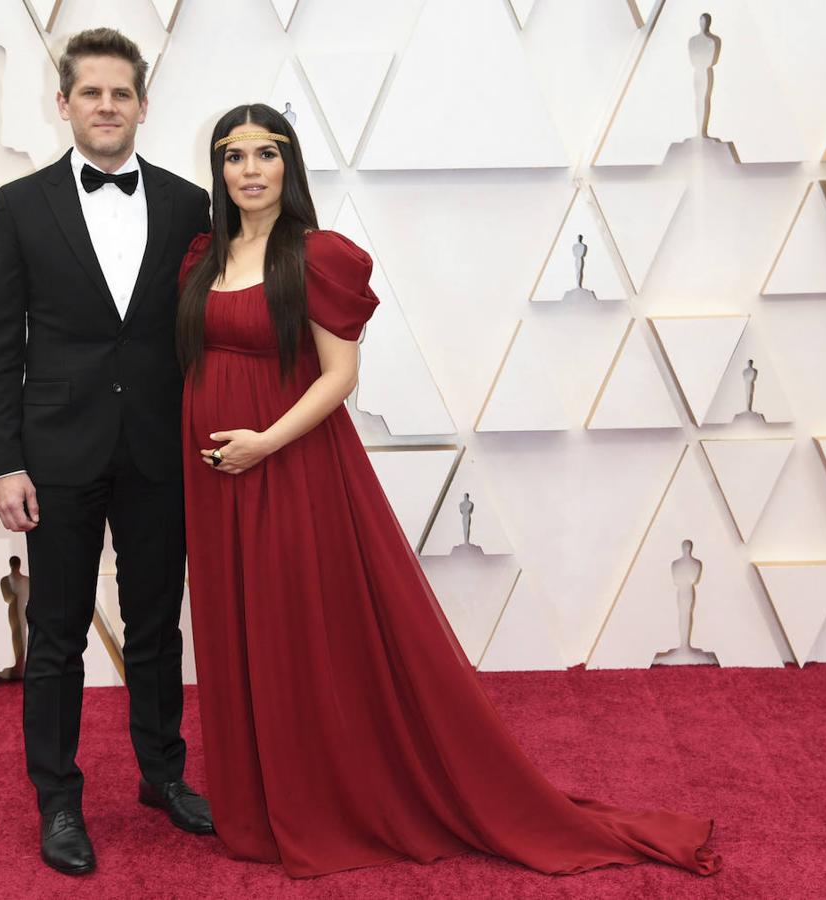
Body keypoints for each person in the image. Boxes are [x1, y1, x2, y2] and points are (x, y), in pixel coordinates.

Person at [178, 103, 721, 879]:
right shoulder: (202, 257)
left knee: (298, 630)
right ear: (220, 169)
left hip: (291, 469)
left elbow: (340, 376)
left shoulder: (316, 255)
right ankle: (257, 802)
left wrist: (264, 442)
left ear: (290, 167)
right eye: (235, 156)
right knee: (238, 631)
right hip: (216, 485)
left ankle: (321, 796)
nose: (251, 170)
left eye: (268, 153)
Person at [0, 28, 214, 877]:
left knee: (156, 627)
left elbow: (209, 331)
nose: (106, 106)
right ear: (64, 103)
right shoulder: (20, 204)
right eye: (91, 93)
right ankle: (60, 800)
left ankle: (163, 775)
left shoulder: (192, 205)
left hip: (159, 451)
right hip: (57, 459)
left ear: (143, 105)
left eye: (121, 94)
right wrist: (6, 461)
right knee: (56, 637)